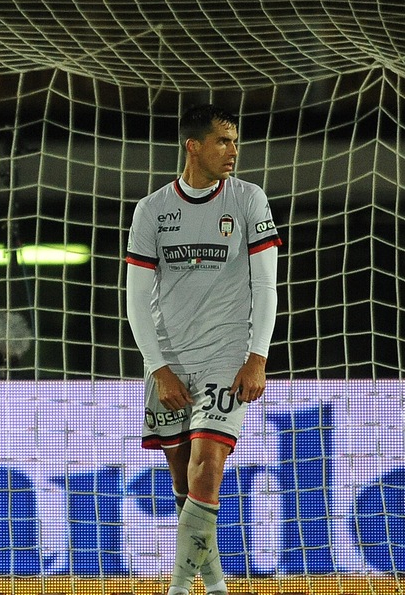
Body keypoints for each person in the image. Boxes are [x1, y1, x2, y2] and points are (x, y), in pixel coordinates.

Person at [125, 104, 282, 595]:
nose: (234, 151)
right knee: (184, 483)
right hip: (170, 359)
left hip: (226, 356)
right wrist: (158, 367)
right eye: (223, 141)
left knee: (208, 468)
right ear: (193, 146)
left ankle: (177, 587)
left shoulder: (248, 199)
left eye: (235, 141)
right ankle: (214, 585)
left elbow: (267, 285)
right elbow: (135, 297)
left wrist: (257, 356)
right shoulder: (152, 210)